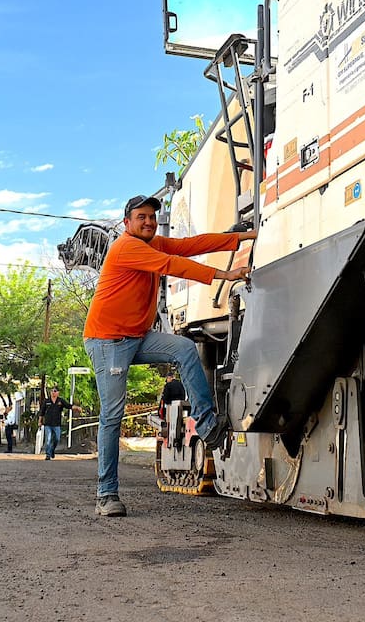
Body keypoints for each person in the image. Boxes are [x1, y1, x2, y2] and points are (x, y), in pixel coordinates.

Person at [82, 193, 255, 517]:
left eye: (151, 216)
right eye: (141, 217)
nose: (148, 222)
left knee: (184, 348)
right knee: (113, 417)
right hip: (108, 342)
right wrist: (225, 276)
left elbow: (191, 245)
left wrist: (244, 236)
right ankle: (106, 495)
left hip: (137, 337)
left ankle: (206, 425)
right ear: (127, 223)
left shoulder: (153, 243)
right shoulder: (127, 247)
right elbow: (173, 265)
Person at [38, 387, 81, 460]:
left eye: (55, 391)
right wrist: (40, 421)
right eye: (52, 391)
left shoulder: (60, 401)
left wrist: (77, 408)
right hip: (48, 423)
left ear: (58, 392)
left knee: (57, 439)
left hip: (57, 424)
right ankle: (48, 454)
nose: (53, 392)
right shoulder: (46, 401)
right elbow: (42, 412)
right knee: (48, 439)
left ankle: (52, 450)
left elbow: (68, 406)